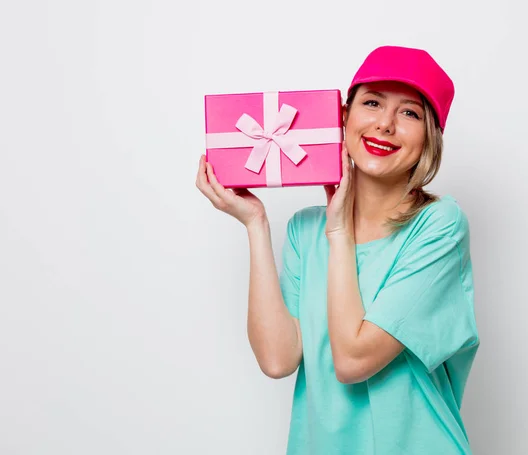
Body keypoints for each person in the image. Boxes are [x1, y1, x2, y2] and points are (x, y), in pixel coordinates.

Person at [195, 45, 479, 455]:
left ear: (429, 137)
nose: (385, 124)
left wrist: (341, 232)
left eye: (410, 113)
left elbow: (352, 361)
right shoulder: (305, 229)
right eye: (372, 102)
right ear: (343, 117)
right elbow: (278, 360)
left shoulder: (439, 227)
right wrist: (255, 223)